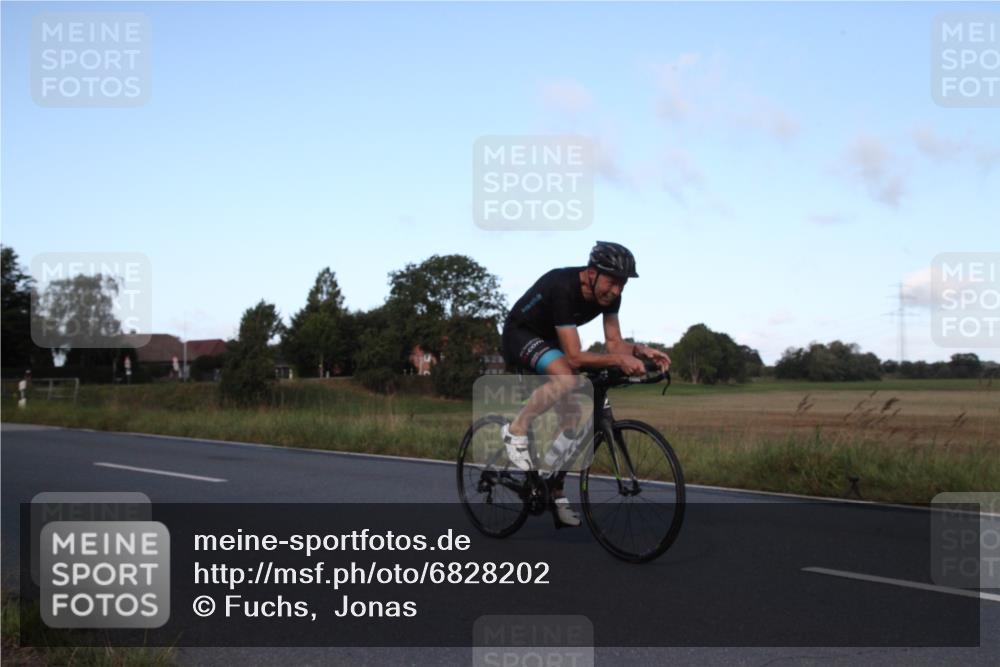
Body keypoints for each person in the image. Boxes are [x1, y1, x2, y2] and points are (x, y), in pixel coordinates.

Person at [500, 242, 671, 527]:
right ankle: (514, 430)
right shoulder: (564, 286)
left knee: (577, 420)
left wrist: (641, 350)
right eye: (612, 282)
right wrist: (617, 361)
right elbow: (576, 357)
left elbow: (614, 343)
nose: (616, 290)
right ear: (591, 273)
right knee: (567, 377)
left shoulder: (612, 296)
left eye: (622, 284)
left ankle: (552, 488)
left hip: (551, 341)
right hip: (521, 333)